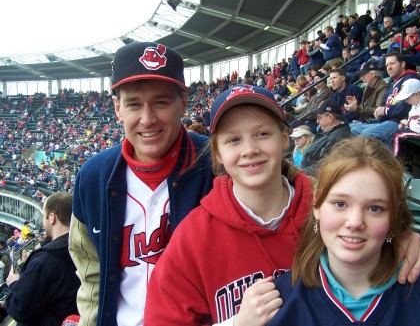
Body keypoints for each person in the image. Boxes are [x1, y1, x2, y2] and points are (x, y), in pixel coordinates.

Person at [68, 42, 215, 326]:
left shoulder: (216, 163)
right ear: (117, 108)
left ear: (183, 103)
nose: (147, 119)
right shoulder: (92, 177)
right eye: (134, 104)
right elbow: (90, 274)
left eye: (161, 102)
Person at [145, 84, 315, 325]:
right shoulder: (194, 236)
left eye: (262, 134)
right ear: (217, 153)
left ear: (285, 138)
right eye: (234, 139)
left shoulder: (327, 210)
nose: (249, 150)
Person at [268, 137, 420, 326]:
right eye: (340, 204)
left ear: (394, 216)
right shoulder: (277, 303)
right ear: (317, 206)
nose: (355, 223)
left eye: (375, 208)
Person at [6, 191, 80, 326]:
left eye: (44, 215)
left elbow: (19, 308)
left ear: (52, 217)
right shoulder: (85, 247)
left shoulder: (46, 261)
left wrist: (14, 284)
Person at [351, 53, 420, 139]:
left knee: (366, 134)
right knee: (354, 130)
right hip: (387, 121)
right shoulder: (392, 84)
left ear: (402, 64)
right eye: (387, 65)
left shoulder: (411, 80)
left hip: (402, 122)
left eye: (392, 64)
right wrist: (379, 113)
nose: (389, 67)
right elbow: (384, 105)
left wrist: (385, 111)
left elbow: (406, 106)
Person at [382, 79, 420, 156]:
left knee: (396, 135)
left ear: (416, 94)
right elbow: (413, 123)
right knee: (388, 133)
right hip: (419, 132)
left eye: (407, 98)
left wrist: (408, 123)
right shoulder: (414, 105)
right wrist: (404, 126)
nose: (406, 101)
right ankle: (384, 158)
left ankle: (392, 161)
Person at [300, 99, 351, 176]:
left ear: (330, 118)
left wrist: (300, 174)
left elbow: (324, 166)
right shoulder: (332, 131)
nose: (317, 121)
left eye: (319, 117)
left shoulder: (338, 137)